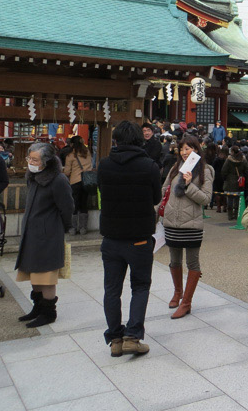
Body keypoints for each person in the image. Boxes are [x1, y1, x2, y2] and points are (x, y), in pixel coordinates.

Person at [97, 121, 161, 357]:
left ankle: (115, 338)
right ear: (139, 140)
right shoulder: (150, 166)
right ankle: (133, 336)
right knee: (140, 286)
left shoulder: (104, 165)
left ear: (116, 140)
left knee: (112, 289)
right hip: (139, 237)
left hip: (112, 237)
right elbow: (156, 197)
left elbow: (103, 191)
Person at [14, 143, 74, 328]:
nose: (30, 162)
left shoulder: (58, 180)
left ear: (46, 162)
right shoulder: (32, 176)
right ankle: (38, 307)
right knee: (33, 272)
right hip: (31, 232)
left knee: (46, 275)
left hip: (48, 233)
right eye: (29, 158)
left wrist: (60, 227)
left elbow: (67, 207)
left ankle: (49, 312)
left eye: (35, 159)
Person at [162, 135, 214, 319]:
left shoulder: (205, 170)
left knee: (192, 263)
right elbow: (164, 191)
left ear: (197, 150)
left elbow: (206, 199)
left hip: (192, 224)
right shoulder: (175, 169)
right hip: (172, 221)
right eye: (182, 149)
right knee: (174, 261)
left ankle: (186, 303)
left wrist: (189, 184)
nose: (184, 153)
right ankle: (177, 293)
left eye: (188, 149)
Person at [63, 135, 93, 236]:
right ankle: (83, 228)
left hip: (75, 182)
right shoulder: (87, 152)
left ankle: (73, 228)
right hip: (86, 182)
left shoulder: (71, 155)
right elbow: (90, 166)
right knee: (84, 204)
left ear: (72, 144)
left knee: (74, 205)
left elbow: (67, 172)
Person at [221, 146, 248, 221]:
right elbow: (247, 170)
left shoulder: (228, 160)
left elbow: (224, 171)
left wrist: (225, 178)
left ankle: (230, 215)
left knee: (230, 198)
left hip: (229, 181)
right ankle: (236, 214)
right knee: (237, 199)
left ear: (233, 152)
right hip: (239, 181)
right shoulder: (243, 160)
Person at [212, 146, 228, 214]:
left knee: (217, 192)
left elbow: (213, 168)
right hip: (223, 177)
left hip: (217, 176)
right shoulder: (226, 160)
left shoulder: (216, 160)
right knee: (223, 192)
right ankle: (225, 206)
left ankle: (218, 207)